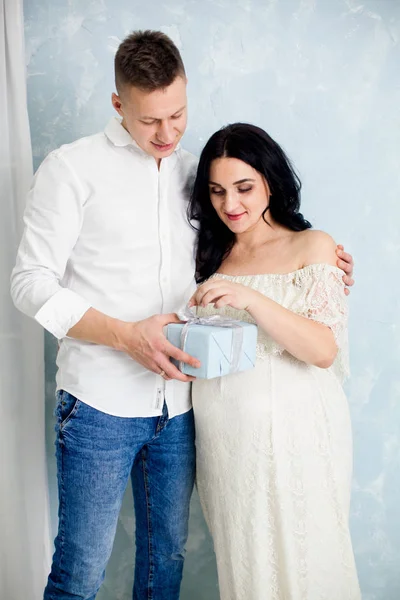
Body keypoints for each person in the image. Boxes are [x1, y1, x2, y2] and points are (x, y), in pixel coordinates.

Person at [10, 31, 355, 599]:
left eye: (178, 114)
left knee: (163, 566)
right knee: (80, 573)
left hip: (184, 407)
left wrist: (328, 261)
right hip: (99, 401)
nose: (167, 134)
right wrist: (125, 336)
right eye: (150, 122)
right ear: (119, 105)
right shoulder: (70, 169)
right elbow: (28, 284)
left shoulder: (202, 176)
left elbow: (260, 246)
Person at [188, 123, 361, 600]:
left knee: (306, 562)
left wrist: (251, 299)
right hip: (225, 444)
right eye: (217, 191)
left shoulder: (313, 246)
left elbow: (324, 350)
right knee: (246, 570)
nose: (231, 205)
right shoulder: (208, 254)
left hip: (298, 437)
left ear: (270, 180)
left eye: (244, 188)